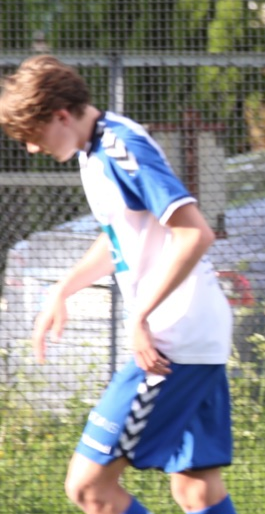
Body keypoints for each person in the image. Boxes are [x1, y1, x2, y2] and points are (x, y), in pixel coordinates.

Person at [0, 55, 238, 514]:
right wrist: (63, 288)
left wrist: (141, 318)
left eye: (33, 137)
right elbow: (123, 238)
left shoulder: (120, 149)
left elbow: (195, 232)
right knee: (195, 488)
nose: (32, 149)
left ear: (61, 115)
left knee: (90, 488)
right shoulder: (95, 150)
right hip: (196, 335)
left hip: (172, 343)